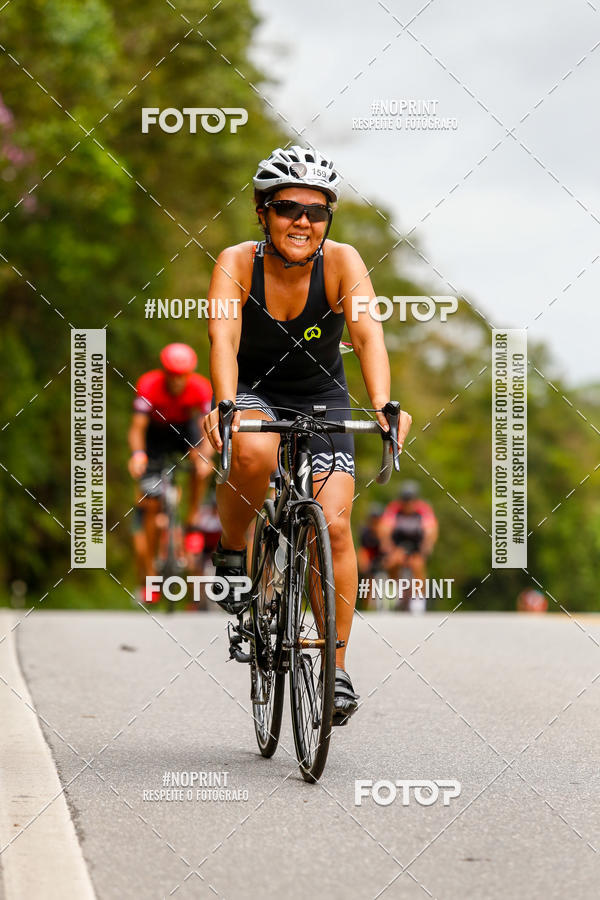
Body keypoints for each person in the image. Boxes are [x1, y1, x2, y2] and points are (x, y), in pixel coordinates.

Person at [201, 145, 412, 724]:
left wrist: (383, 404)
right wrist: (224, 402)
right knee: (252, 450)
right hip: (253, 389)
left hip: (322, 395)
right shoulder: (237, 262)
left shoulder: (343, 262)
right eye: (287, 208)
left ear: (328, 220)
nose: (302, 221)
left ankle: (334, 668)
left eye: (316, 212)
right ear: (262, 212)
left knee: (336, 527)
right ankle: (232, 551)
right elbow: (223, 338)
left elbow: (368, 336)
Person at [128, 343, 214, 603]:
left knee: (201, 466)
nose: (177, 381)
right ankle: (151, 578)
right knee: (151, 507)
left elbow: (207, 428)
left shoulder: (200, 388)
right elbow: (137, 428)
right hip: (155, 436)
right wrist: (138, 455)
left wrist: (205, 457)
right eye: (172, 375)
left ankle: (192, 519)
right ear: (164, 372)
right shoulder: (149, 385)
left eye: (182, 375)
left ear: (189, 374)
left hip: (183, 431)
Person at [380, 480, 438, 609]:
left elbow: (431, 529)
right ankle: (396, 590)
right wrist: (387, 545)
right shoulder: (394, 508)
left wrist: (428, 545)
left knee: (417, 565)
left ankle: (418, 598)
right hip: (398, 543)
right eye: (405, 500)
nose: (408, 503)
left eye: (411, 500)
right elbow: (385, 528)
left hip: (417, 544)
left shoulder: (423, 509)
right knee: (393, 562)